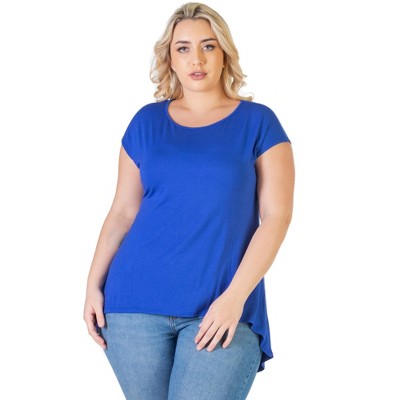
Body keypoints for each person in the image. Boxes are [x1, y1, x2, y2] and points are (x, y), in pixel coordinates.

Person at [83, 2, 295, 399]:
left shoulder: (259, 122)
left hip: (221, 304)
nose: (196, 58)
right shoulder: (146, 122)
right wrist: (92, 285)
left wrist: (235, 298)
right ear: (170, 58)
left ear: (224, 53)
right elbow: (123, 213)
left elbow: (276, 217)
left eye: (208, 46)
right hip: (133, 306)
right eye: (183, 48)